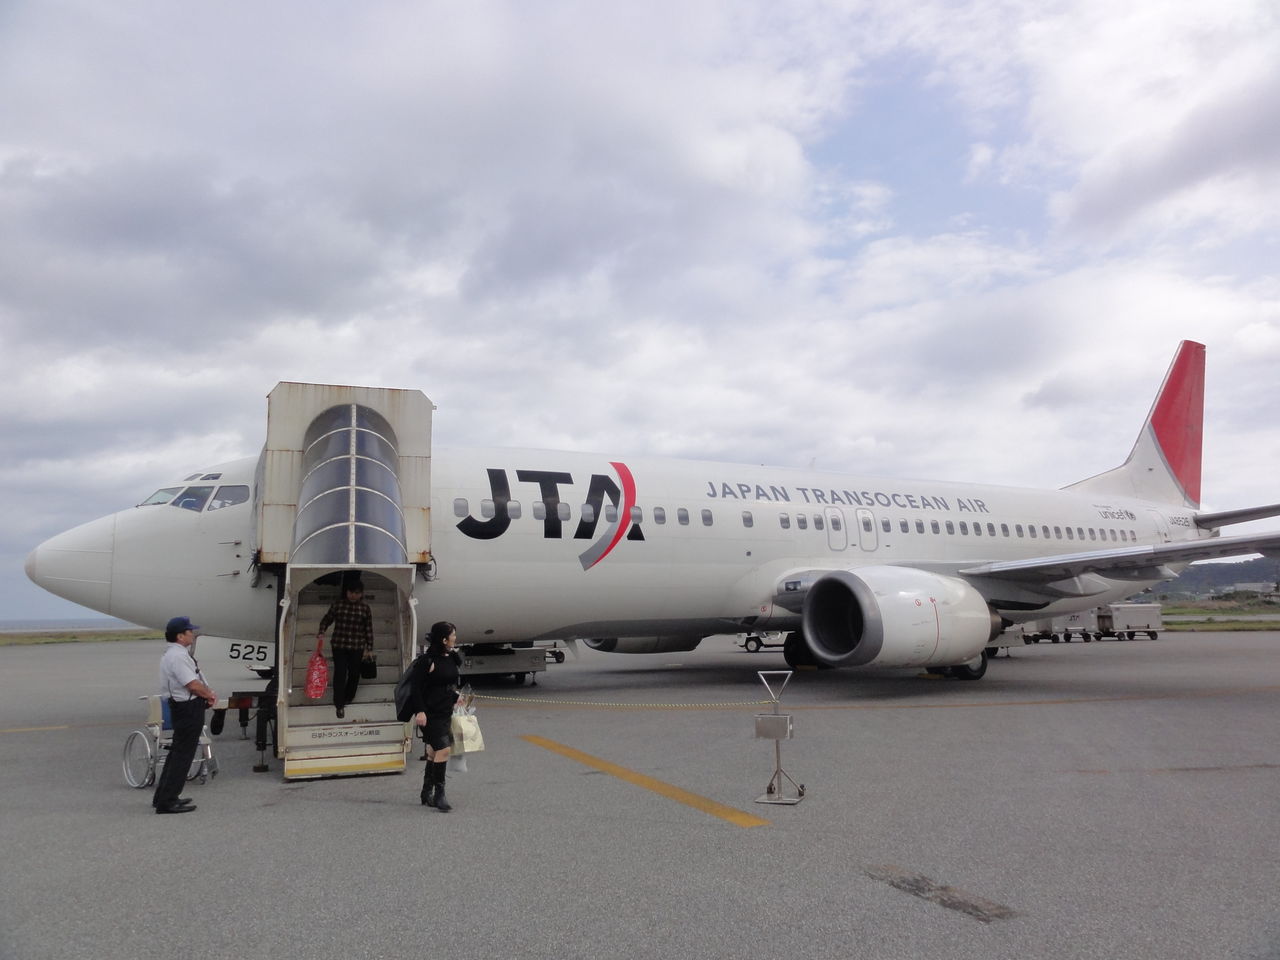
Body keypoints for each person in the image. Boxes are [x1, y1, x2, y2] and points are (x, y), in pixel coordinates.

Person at [153, 616, 216, 815]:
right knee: (183, 755)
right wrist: (209, 695)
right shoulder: (178, 657)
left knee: (176, 753)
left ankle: (163, 796)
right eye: (190, 632)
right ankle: (168, 801)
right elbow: (192, 684)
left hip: (182, 706)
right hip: (188, 707)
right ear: (180, 636)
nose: (193, 634)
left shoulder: (172, 654)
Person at [410, 620, 463, 811]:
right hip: (429, 713)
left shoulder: (450, 657)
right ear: (443, 639)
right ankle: (440, 794)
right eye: (452, 635)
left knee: (434, 751)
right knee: (444, 749)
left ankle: (426, 792)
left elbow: (445, 685)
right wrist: (420, 711)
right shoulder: (427, 661)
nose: (455, 638)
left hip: (445, 710)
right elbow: (415, 688)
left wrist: (456, 697)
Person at [316, 577, 374, 719]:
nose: (353, 595)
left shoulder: (365, 608)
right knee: (340, 673)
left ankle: (349, 696)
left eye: (356, 593)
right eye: (351, 592)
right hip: (339, 644)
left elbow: (368, 628)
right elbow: (327, 619)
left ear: (361, 594)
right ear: (346, 592)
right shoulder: (338, 605)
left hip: (357, 645)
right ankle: (339, 703)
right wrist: (322, 631)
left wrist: (369, 647)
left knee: (354, 673)